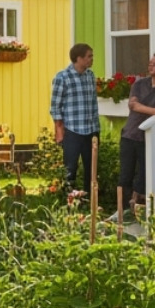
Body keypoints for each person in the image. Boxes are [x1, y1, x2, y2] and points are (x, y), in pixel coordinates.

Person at [116, 51, 155, 215]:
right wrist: (153, 110)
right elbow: (133, 105)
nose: (150, 66)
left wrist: (146, 108)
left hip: (149, 139)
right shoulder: (139, 84)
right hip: (130, 134)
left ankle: (139, 209)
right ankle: (121, 209)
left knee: (144, 176)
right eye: (150, 63)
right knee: (125, 174)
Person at [50, 43, 101, 196]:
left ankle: (90, 199)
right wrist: (59, 130)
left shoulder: (90, 76)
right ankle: (68, 199)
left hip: (91, 130)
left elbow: (93, 103)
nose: (92, 59)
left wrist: (96, 128)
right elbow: (55, 107)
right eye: (89, 56)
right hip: (72, 130)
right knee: (70, 168)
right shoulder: (62, 77)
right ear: (79, 58)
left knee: (92, 168)